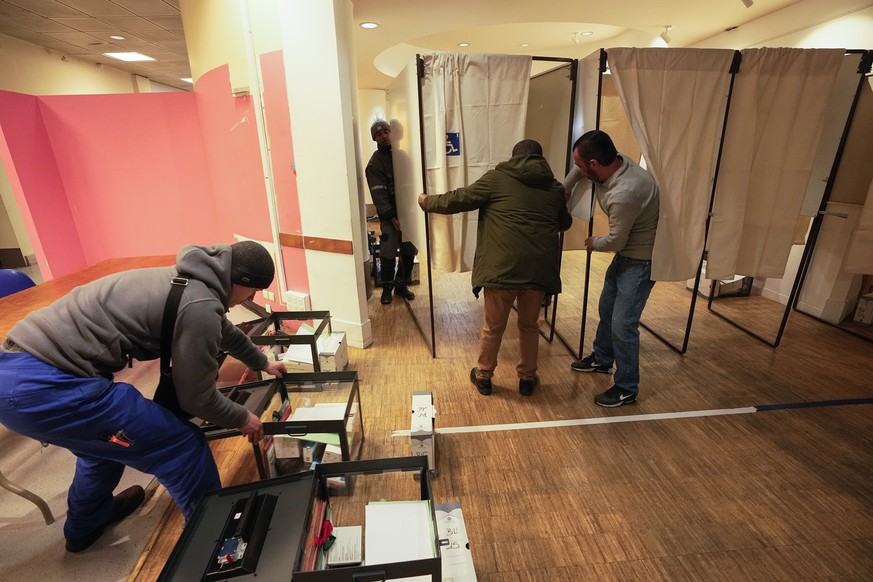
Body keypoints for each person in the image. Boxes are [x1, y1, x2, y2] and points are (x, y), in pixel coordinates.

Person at [0, 241, 287, 552]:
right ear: (239, 283)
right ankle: (213, 548)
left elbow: (223, 330)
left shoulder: (192, 276)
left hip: (15, 372)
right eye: (253, 292)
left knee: (103, 446)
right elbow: (196, 398)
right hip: (46, 388)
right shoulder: (200, 305)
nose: (253, 299)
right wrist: (243, 418)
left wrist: (262, 362)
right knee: (182, 446)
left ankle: (87, 522)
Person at [419, 139, 571, 396]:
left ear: (513, 158)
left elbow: (459, 199)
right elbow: (563, 223)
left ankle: (484, 377)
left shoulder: (496, 179)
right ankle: (526, 379)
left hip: (502, 269)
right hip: (537, 271)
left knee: (493, 327)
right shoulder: (555, 188)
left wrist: (427, 201)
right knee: (529, 325)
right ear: (541, 160)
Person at [566, 130, 659, 407]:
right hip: (626, 257)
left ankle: (627, 387)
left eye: (582, 166)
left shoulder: (626, 191)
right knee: (607, 308)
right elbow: (578, 171)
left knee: (623, 324)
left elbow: (617, 239)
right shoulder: (614, 162)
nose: (579, 170)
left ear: (595, 164)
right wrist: (565, 188)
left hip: (639, 261)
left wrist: (595, 242)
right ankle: (602, 358)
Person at [365, 119, 416, 305]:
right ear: (375, 139)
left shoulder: (403, 157)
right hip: (389, 218)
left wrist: (409, 212)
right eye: (379, 134)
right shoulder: (374, 163)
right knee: (387, 252)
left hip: (408, 215)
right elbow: (379, 194)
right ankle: (387, 288)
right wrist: (392, 216)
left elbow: (412, 185)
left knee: (409, 250)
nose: (384, 135)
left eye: (386, 131)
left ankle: (401, 286)